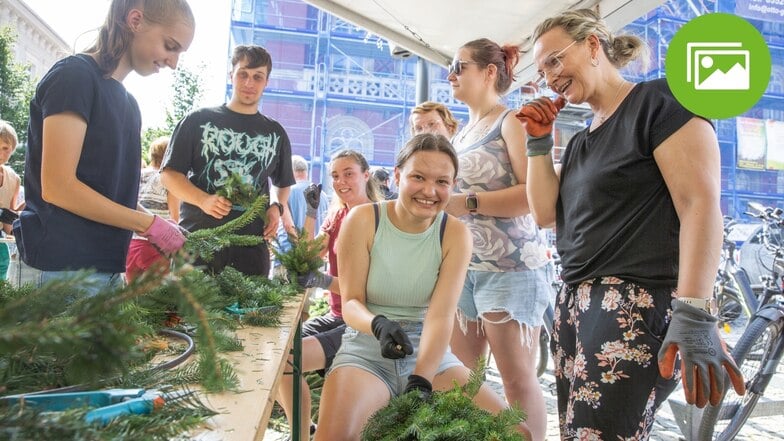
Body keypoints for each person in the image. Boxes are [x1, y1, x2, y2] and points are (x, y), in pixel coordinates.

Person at [517, 9, 745, 439]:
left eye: (554, 59)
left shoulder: (659, 101)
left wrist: (695, 311)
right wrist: (538, 142)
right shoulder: (585, 137)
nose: (548, 76)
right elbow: (546, 213)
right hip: (574, 301)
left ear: (591, 45)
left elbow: (699, 202)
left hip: (633, 303)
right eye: (541, 68)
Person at [313, 134, 529, 440]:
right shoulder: (363, 219)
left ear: (454, 186)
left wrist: (422, 381)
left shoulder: (454, 233)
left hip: (431, 353)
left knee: (518, 434)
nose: (430, 191)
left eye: (442, 181)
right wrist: (378, 324)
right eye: (418, 177)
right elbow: (351, 303)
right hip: (366, 349)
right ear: (398, 175)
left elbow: (441, 316)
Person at [13, 0, 193, 291]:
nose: (173, 62)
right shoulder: (75, 76)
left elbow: (109, 195)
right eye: (170, 46)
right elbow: (58, 186)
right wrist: (146, 225)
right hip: (59, 269)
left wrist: (156, 222)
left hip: (108, 269)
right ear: (135, 20)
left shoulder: (130, 105)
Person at [445, 38, 551, 440]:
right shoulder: (463, 131)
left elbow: (532, 196)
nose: (451, 75)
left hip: (511, 269)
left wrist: (465, 201)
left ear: (490, 72)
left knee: (516, 380)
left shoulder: (512, 121)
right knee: (461, 378)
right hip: (465, 270)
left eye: (459, 65)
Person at [161, 44, 295, 277]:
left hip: (251, 247)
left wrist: (276, 207)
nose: (249, 83)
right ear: (231, 75)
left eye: (257, 77)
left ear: (267, 82)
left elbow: (283, 183)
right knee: (189, 312)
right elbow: (169, 175)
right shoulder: (197, 120)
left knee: (252, 313)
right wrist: (203, 200)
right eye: (243, 74)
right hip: (199, 243)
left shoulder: (275, 132)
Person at [275, 149, 382, 440]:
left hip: (362, 321)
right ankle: (302, 431)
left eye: (349, 173)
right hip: (337, 314)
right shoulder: (337, 214)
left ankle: (305, 433)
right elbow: (308, 256)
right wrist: (310, 214)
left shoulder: (377, 218)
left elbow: (367, 286)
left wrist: (321, 279)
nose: (341, 181)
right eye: (335, 175)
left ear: (365, 175)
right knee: (277, 352)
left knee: (288, 360)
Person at [125, 136, 181, 282]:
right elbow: (175, 217)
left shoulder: (137, 174)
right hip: (155, 247)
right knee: (161, 299)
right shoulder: (168, 178)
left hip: (130, 244)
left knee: (132, 300)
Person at [273, 154, 328, 278]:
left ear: (289, 172)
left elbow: (288, 226)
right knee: (310, 297)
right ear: (305, 172)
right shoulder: (322, 195)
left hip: (288, 259)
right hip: (315, 260)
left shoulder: (285, 193)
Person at [0, 121, 22, 281]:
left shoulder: (13, 179)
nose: (1, 153)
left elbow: (9, 222)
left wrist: (25, 210)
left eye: (6, 149)